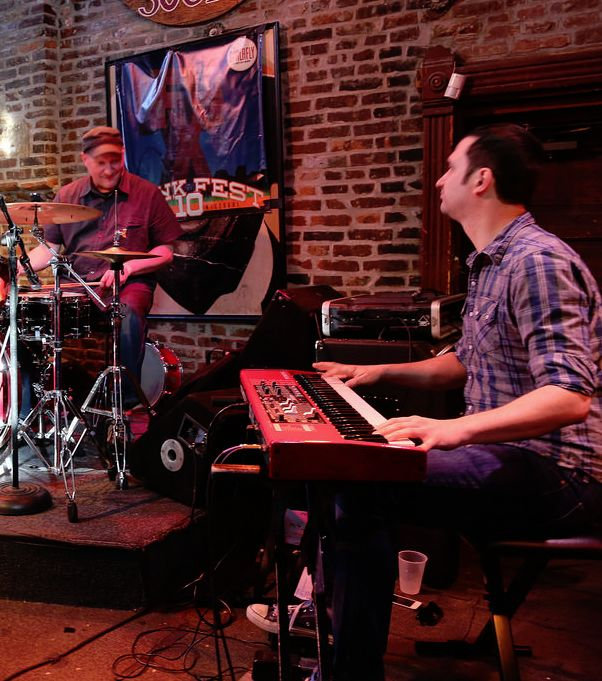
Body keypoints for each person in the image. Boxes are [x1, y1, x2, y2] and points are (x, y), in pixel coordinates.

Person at [256, 124, 602, 680]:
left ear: (482, 179)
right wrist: (378, 370)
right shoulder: (490, 262)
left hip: (560, 475)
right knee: (343, 478)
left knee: (360, 484)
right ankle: (325, 629)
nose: (439, 179)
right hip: (514, 459)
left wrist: (455, 430)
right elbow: (466, 360)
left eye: (450, 167)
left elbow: (568, 398)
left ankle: (347, 670)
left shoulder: (537, 262)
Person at [27, 126, 184, 408]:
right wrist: (18, 269)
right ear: (85, 159)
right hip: (80, 283)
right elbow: (49, 248)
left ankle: (123, 402)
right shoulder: (68, 194)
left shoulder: (146, 194)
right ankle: (33, 402)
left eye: (115, 160)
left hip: (129, 285)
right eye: (101, 163)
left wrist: (130, 268)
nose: (110, 169)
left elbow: (166, 252)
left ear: (123, 155)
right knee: (26, 315)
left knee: (126, 314)